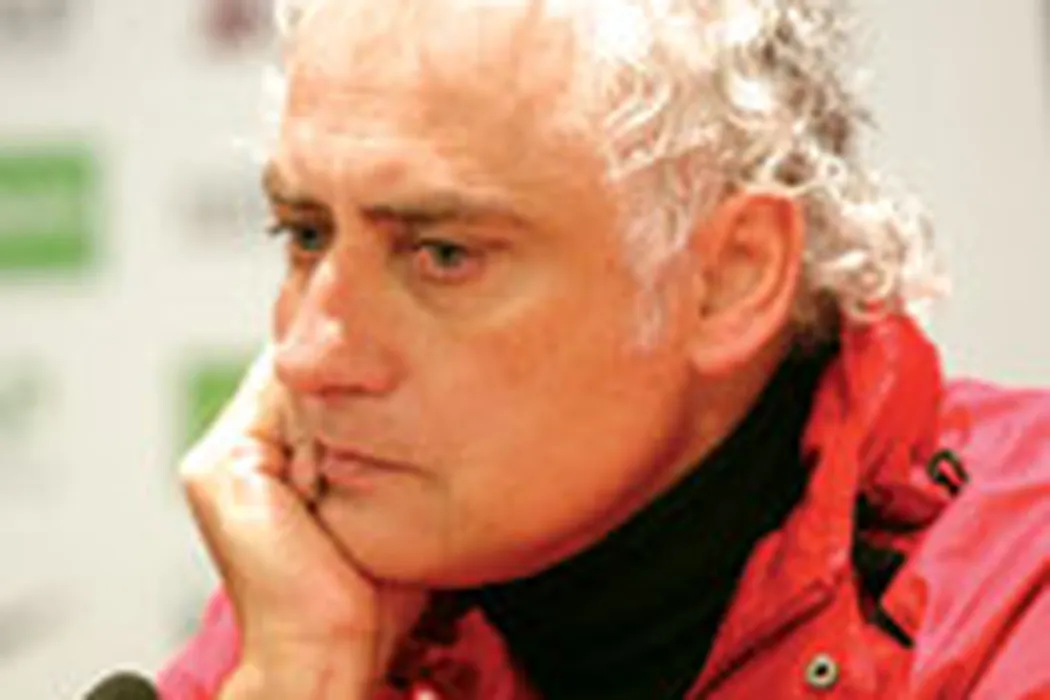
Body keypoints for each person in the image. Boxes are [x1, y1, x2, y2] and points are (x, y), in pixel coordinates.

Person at [158, 0, 1050, 698]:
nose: (309, 356)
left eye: (444, 254)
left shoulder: (1018, 598)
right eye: (306, 233)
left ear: (728, 279)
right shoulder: (316, 595)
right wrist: (296, 675)